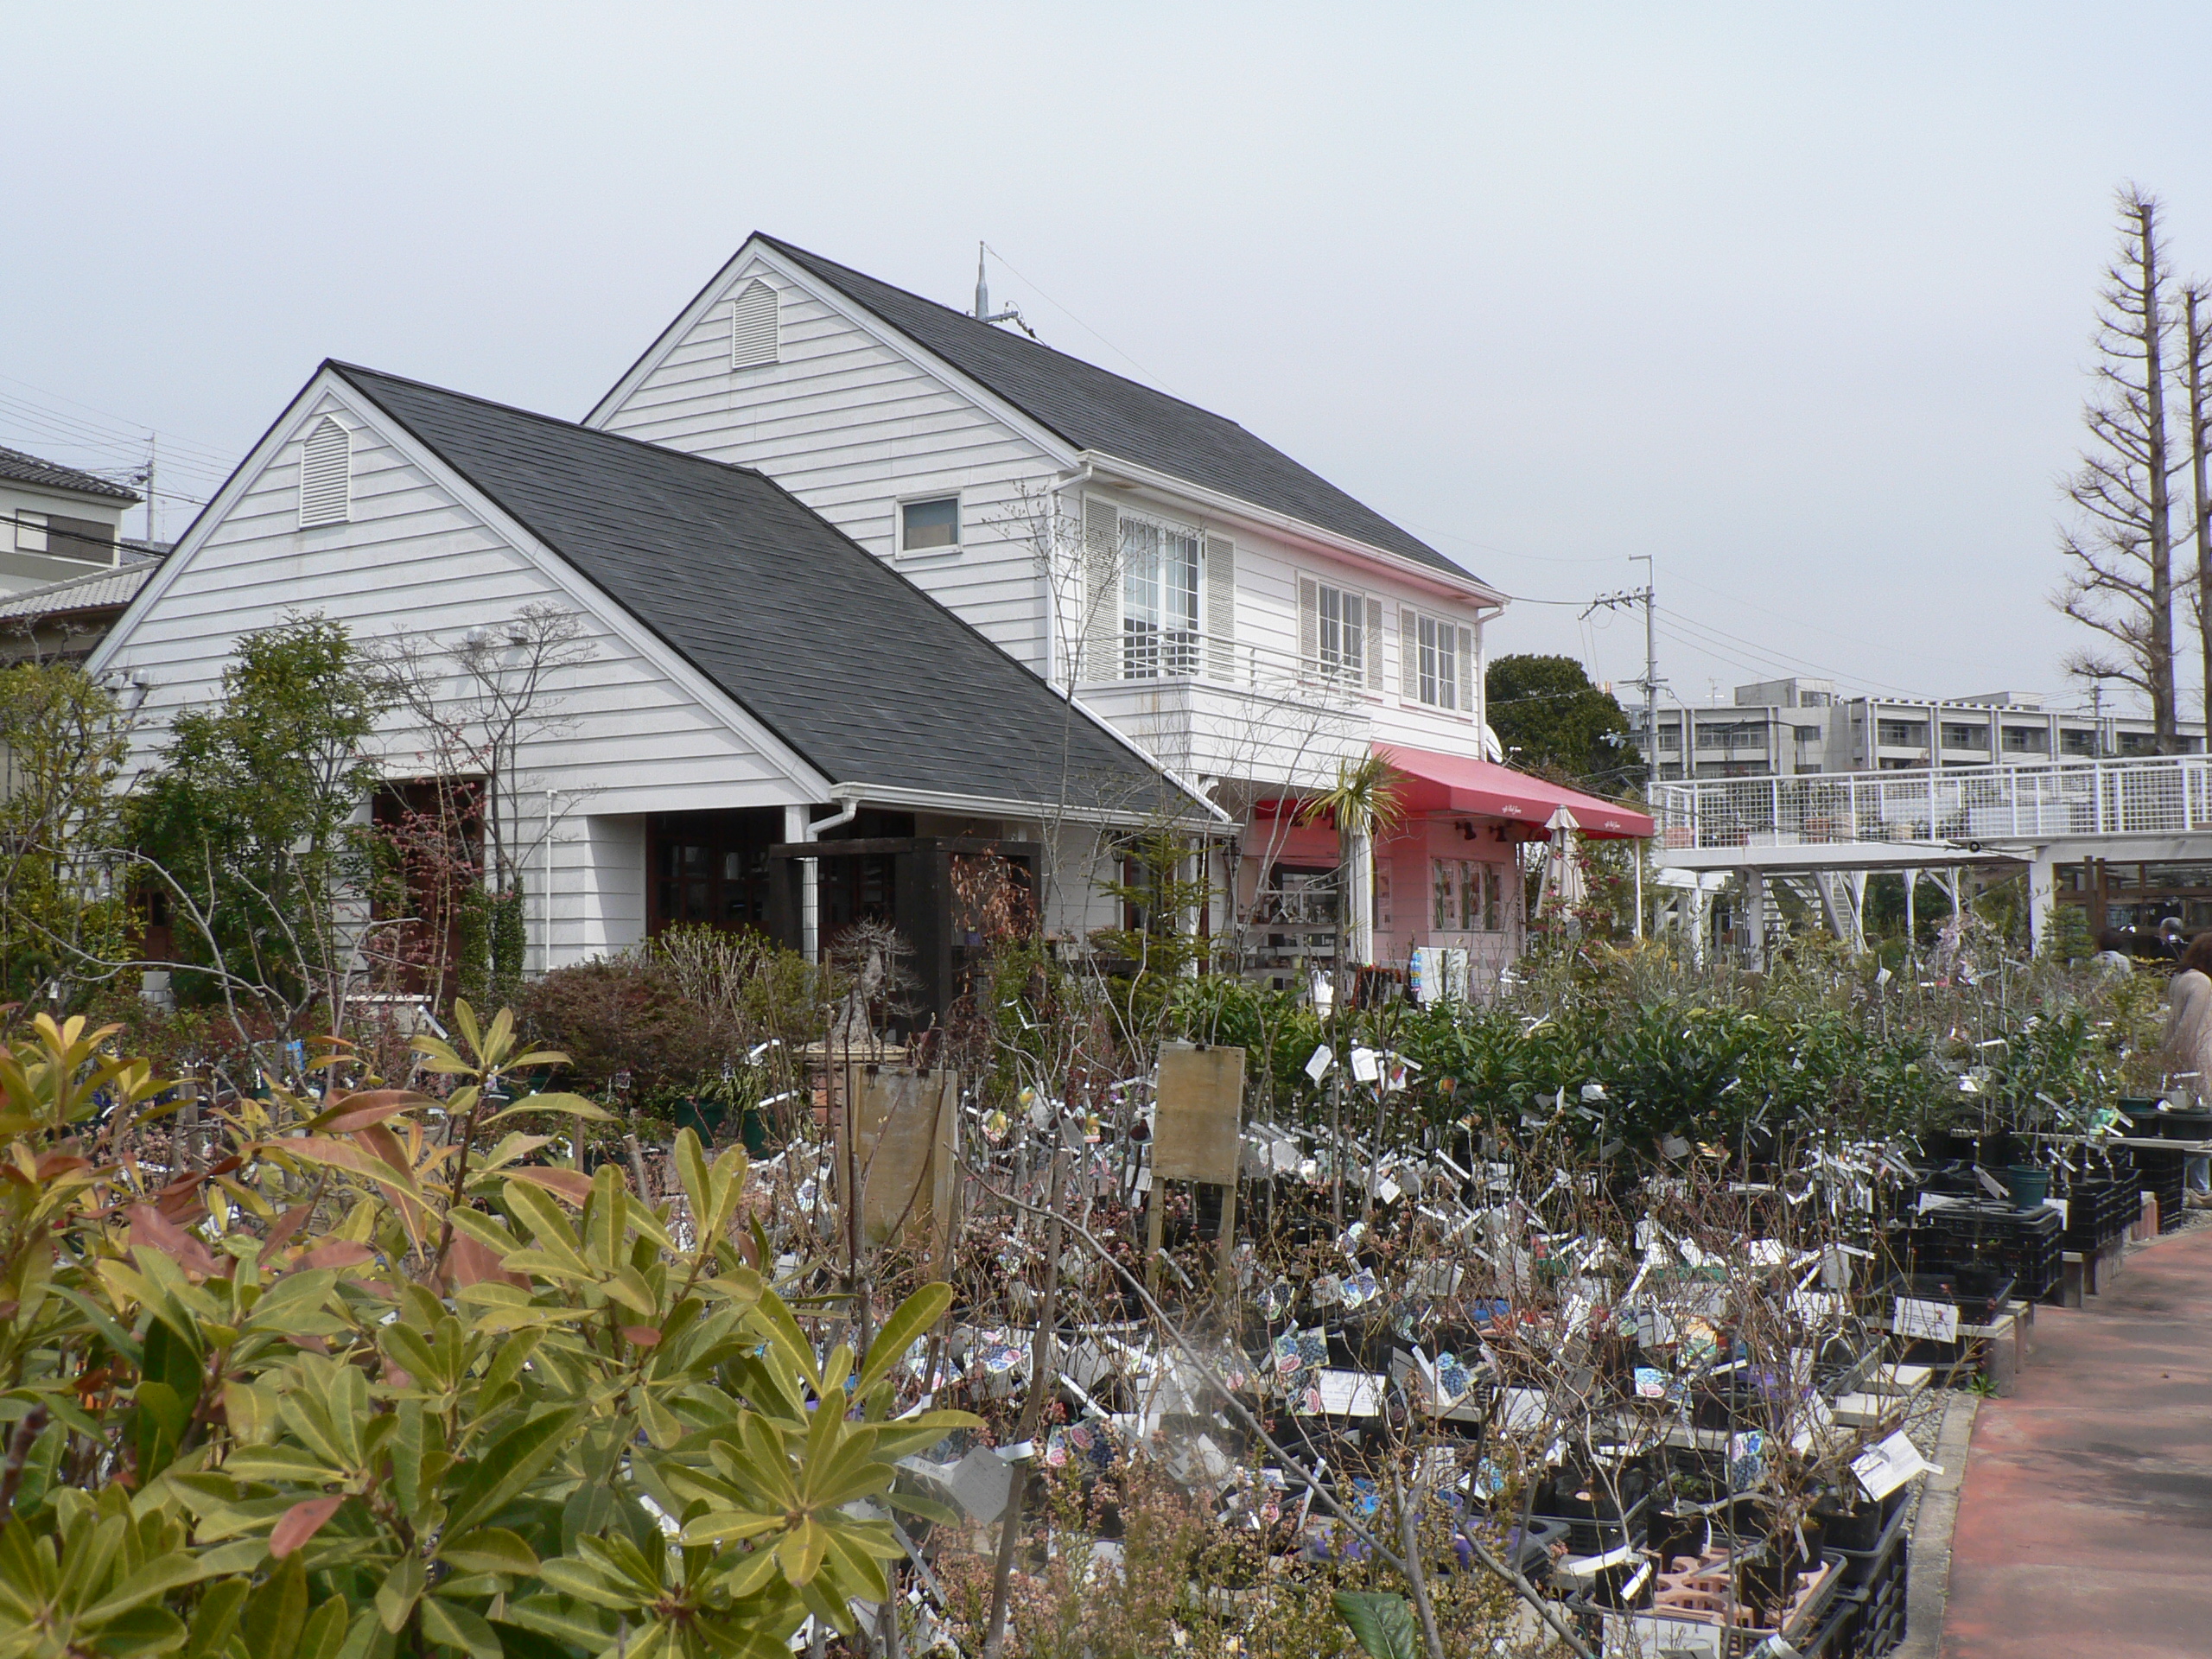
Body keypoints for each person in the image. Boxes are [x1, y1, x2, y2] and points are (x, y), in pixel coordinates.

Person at [2160, 931, 2212, 1207]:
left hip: (2184, 1063)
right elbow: (2190, 1028)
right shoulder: (2202, 983)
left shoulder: (2181, 978)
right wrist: (2180, 1058)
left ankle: (2198, 1189)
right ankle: (2197, 1189)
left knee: (2192, 1128)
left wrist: (2168, 1058)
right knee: (2202, 1130)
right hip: (2200, 1063)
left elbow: (2173, 1024)